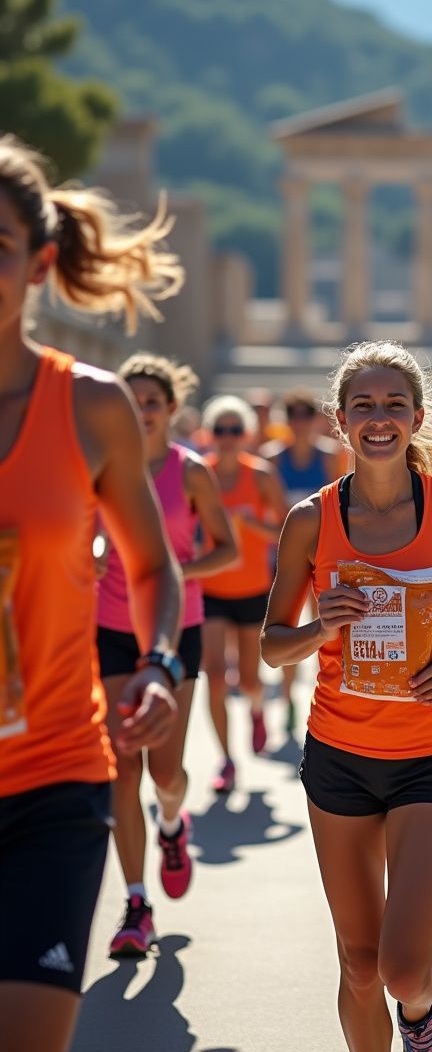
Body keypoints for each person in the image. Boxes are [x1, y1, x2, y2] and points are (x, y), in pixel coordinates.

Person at [261, 341, 432, 1052]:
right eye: (363, 406)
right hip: (339, 755)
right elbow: (272, 645)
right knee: (357, 961)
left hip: (427, 755)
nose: (379, 419)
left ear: (416, 417)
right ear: (340, 420)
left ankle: (422, 1013)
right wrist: (319, 626)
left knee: (403, 971)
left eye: (393, 405)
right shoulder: (312, 521)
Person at [0, 135, 183, 1052]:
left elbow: (151, 566)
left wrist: (156, 663)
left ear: (38, 264)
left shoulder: (90, 407)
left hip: (52, 783)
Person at [96, 353, 237, 958]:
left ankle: (173, 824)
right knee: (122, 768)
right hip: (109, 627)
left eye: (152, 401)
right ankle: (136, 903)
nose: (141, 411)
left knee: (163, 773)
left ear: (171, 408)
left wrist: (177, 570)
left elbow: (227, 549)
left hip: (177, 627)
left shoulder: (190, 471)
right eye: (131, 400)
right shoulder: (98, 466)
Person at [201, 394, 287, 792]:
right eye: (220, 430)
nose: (227, 437)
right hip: (210, 588)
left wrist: (253, 526)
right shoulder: (199, 473)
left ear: (246, 434)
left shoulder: (261, 475)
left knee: (250, 679)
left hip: (252, 588)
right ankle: (226, 759)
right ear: (210, 434)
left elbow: (288, 528)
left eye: (235, 430)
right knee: (216, 675)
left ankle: (256, 710)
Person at [261, 389, 345, 734]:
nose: (299, 423)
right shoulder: (271, 458)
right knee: (290, 630)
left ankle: (323, 696)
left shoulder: (330, 456)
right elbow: (273, 513)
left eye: (304, 416)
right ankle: (287, 699)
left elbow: (342, 504)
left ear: (315, 420)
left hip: (324, 555)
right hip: (287, 554)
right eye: (292, 416)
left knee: (326, 628)